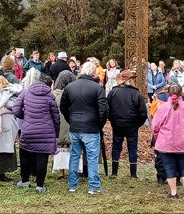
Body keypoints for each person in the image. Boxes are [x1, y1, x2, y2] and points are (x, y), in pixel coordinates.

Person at [60, 61, 108, 195]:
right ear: (93, 73)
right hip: (91, 126)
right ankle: (93, 187)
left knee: (74, 156)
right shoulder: (97, 88)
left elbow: (63, 106)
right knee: (92, 157)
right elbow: (104, 109)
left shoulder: (70, 86)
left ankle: (72, 185)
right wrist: (100, 123)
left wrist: (71, 119)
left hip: (75, 125)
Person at [14, 71, 59, 194]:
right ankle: (39, 185)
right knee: (42, 158)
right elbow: (56, 116)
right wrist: (56, 133)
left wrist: (25, 116)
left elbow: (16, 109)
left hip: (28, 129)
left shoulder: (26, 92)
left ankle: (24, 180)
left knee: (25, 155)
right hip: (46, 131)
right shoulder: (50, 95)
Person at [153, 84, 184, 199]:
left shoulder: (163, 107)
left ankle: (173, 193)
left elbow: (155, 126)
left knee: (169, 167)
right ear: (181, 93)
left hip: (166, 143)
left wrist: (159, 137)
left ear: (168, 93)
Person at [107, 70, 148, 179]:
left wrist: (112, 120)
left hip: (118, 124)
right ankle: (133, 174)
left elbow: (107, 108)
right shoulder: (137, 94)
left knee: (116, 146)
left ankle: (114, 173)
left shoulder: (113, 92)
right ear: (129, 80)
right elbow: (143, 113)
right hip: (131, 125)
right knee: (132, 147)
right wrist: (138, 123)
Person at [52, 70, 76, 179]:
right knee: (73, 148)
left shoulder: (54, 94)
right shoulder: (74, 94)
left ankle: (61, 172)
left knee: (60, 148)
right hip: (72, 123)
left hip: (59, 124)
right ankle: (73, 169)